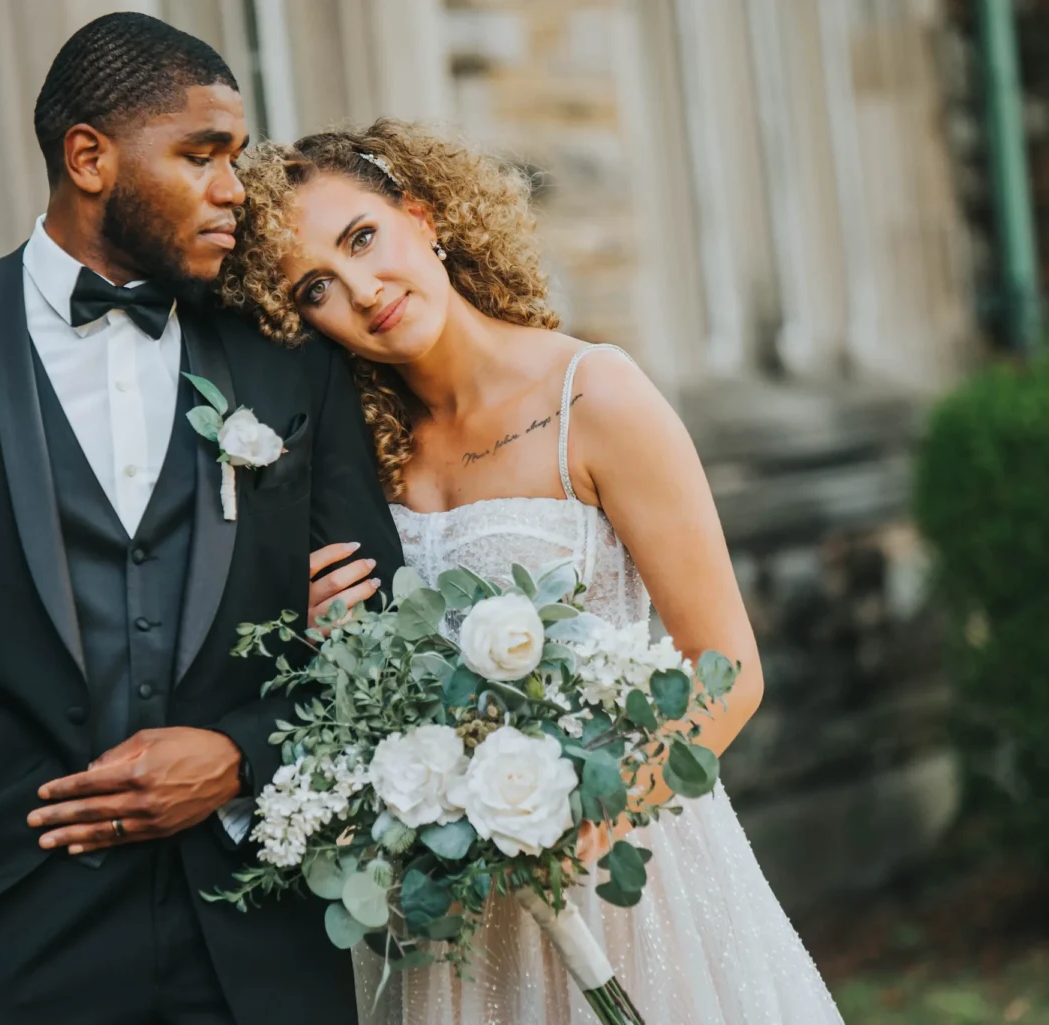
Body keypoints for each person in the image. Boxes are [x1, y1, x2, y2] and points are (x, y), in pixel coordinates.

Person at [0, 14, 401, 1025]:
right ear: (88, 157)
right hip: (2, 940)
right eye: (201, 155)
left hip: (258, 942)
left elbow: (380, 629)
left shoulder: (286, 356)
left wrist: (239, 755)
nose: (236, 188)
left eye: (237, 155)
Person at [230, 120, 845, 1024]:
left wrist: (578, 819)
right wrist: (328, 634)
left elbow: (730, 671)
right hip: (452, 921)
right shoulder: (352, 456)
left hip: (614, 874)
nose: (362, 291)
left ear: (422, 215)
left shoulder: (594, 397)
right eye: (315, 286)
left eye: (363, 238)